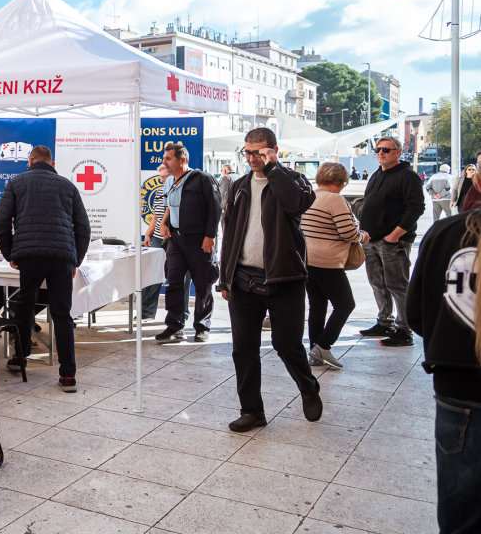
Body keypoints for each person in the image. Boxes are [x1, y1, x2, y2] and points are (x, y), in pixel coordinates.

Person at [219, 128, 321, 432]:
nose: (252, 158)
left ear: (274, 151)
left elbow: (297, 204)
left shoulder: (294, 180)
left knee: (287, 345)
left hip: (285, 279)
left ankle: (308, 387)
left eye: (259, 153)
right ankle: (252, 411)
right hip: (243, 281)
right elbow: (229, 233)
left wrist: (273, 169)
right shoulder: (239, 186)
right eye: (248, 152)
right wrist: (225, 278)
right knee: (243, 350)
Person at [406, 207, 481, 533]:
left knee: (460, 515)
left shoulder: (445, 232)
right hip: (457, 385)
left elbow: (417, 314)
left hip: (457, 385)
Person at [0, 145, 90, 392]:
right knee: (62, 314)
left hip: (30, 256)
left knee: (25, 306)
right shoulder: (68, 186)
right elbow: (83, 227)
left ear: (30, 161)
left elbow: (1, 222)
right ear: (52, 163)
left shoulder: (16, 183)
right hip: (61, 257)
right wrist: (75, 260)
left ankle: (21, 357)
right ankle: (68, 375)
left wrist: (10, 254)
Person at [358, 136, 426, 347]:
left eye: (386, 149)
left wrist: (396, 234)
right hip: (371, 240)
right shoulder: (377, 173)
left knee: (398, 285)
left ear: (398, 152)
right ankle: (384, 322)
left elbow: (416, 207)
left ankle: (405, 330)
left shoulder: (407, 176)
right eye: (378, 149)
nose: (380, 152)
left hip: (393, 241)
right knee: (378, 283)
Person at [301, 163, 369, 369]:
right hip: (327, 261)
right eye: (343, 184)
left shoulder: (308, 196)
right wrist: (363, 237)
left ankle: (315, 351)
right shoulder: (335, 199)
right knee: (345, 304)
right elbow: (348, 232)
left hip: (307, 260)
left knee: (317, 306)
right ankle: (323, 345)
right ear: (337, 182)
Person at [156, 142, 220, 343]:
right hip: (175, 240)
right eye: (164, 158)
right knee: (174, 281)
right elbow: (168, 206)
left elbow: (215, 208)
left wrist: (210, 236)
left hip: (199, 240)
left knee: (203, 283)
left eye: (168, 158)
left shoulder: (202, 179)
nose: (164, 162)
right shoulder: (169, 181)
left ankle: (202, 327)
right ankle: (174, 325)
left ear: (182, 160)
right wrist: (163, 223)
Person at [140, 163, 171, 320]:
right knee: (152, 273)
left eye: (165, 177)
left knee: (177, 277)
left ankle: (177, 316)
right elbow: (155, 216)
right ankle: (146, 312)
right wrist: (148, 234)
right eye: (161, 177)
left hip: (174, 239)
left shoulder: (180, 191)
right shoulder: (159, 192)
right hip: (158, 238)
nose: (163, 180)